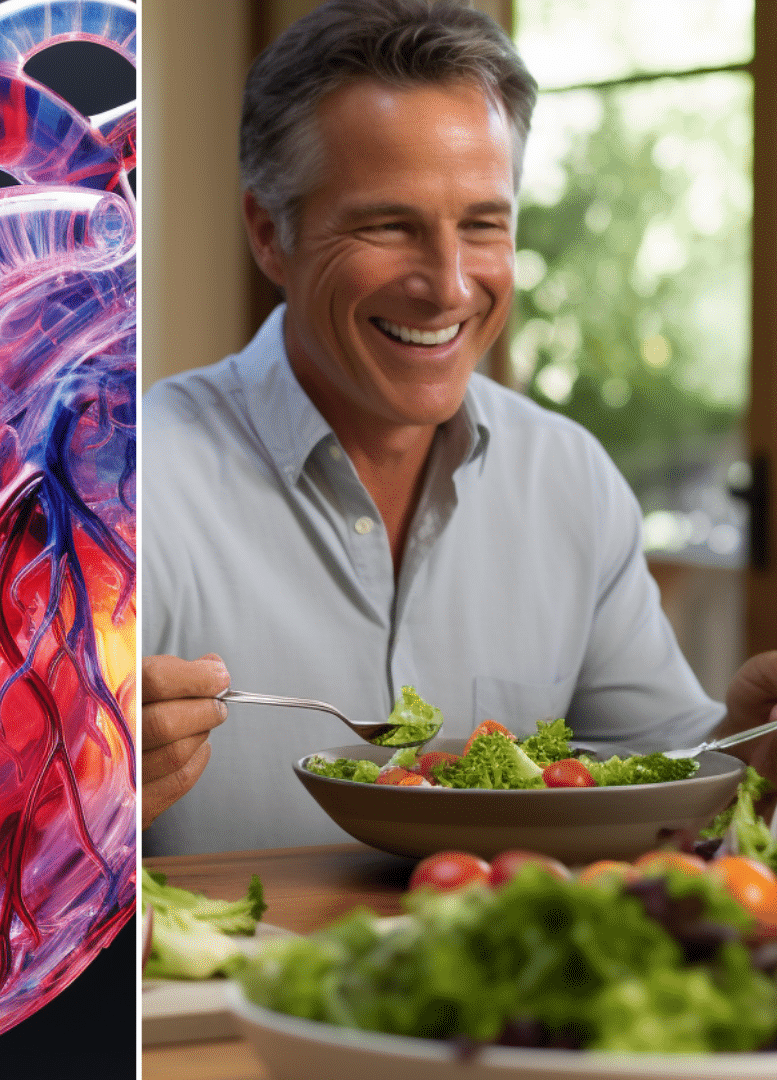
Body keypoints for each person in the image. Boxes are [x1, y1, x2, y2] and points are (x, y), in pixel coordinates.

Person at [142, 0, 777, 855]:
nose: (447, 287)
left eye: (482, 225)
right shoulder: (129, 481)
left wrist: (748, 749)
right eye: (388, 225)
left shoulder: (570, 479)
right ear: (269, 235)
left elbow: (662, 797)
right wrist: (76, 806)